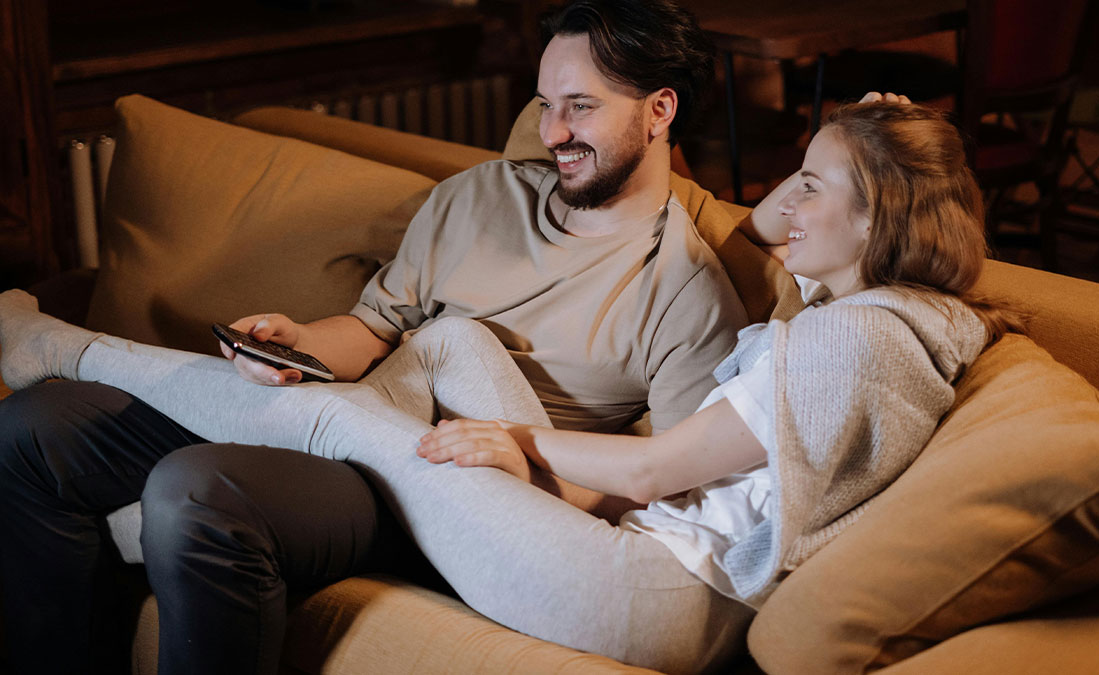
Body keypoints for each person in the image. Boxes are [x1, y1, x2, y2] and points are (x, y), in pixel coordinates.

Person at [0, 101, 1013, 672]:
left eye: (815, 185)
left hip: (657, 595)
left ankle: (56, 348)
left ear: (876, 219)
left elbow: (658, 467)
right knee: (453, 338)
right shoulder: (866, 315)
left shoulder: (860, 339)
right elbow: (763, 232)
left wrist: (519, 446)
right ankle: (310, 430)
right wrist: (859, 133)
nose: (789, 206)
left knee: (334, 417)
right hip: (648, 552)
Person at [0, 1, 749, 673]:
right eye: (545, 104)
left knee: (197, 490)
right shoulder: (478, 197)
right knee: (35, 427)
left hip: (440, 489)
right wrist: (297, 343)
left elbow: (665, 492)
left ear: (659, 110)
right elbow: (373, 328)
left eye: (580, 107)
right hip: (361, 402)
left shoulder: (687, 294)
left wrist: (525, 463)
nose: (553, 132)